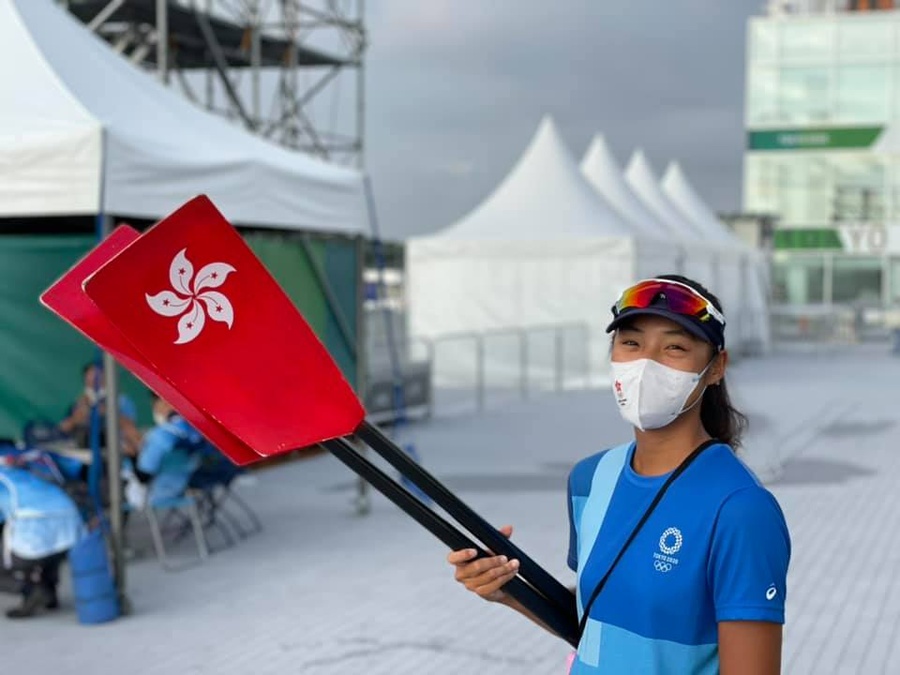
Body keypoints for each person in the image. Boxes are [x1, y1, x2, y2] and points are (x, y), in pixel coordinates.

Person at [447, 275, 791, 674]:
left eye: (675, 347)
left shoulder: (741, 509)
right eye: (631, 343)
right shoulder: (590, 478)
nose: (646, 363)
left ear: (716, 368)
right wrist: (508, 589)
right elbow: (599, 620)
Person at [0, 462, 85, 619]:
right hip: (70, 528)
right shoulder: (16, 473)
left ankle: (30, 590)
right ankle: (49, 594)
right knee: (49, 551)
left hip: (37, 528)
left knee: (16, 557)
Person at [57, 361, 142, 459]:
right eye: (89, 383)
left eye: (97, 380)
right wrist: (77, 417)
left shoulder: (122, 401)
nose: (93, 384)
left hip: (117, 455)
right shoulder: (79, 403)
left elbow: (131, 430)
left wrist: (108, 411)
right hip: (86, 454)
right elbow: (63, 428)